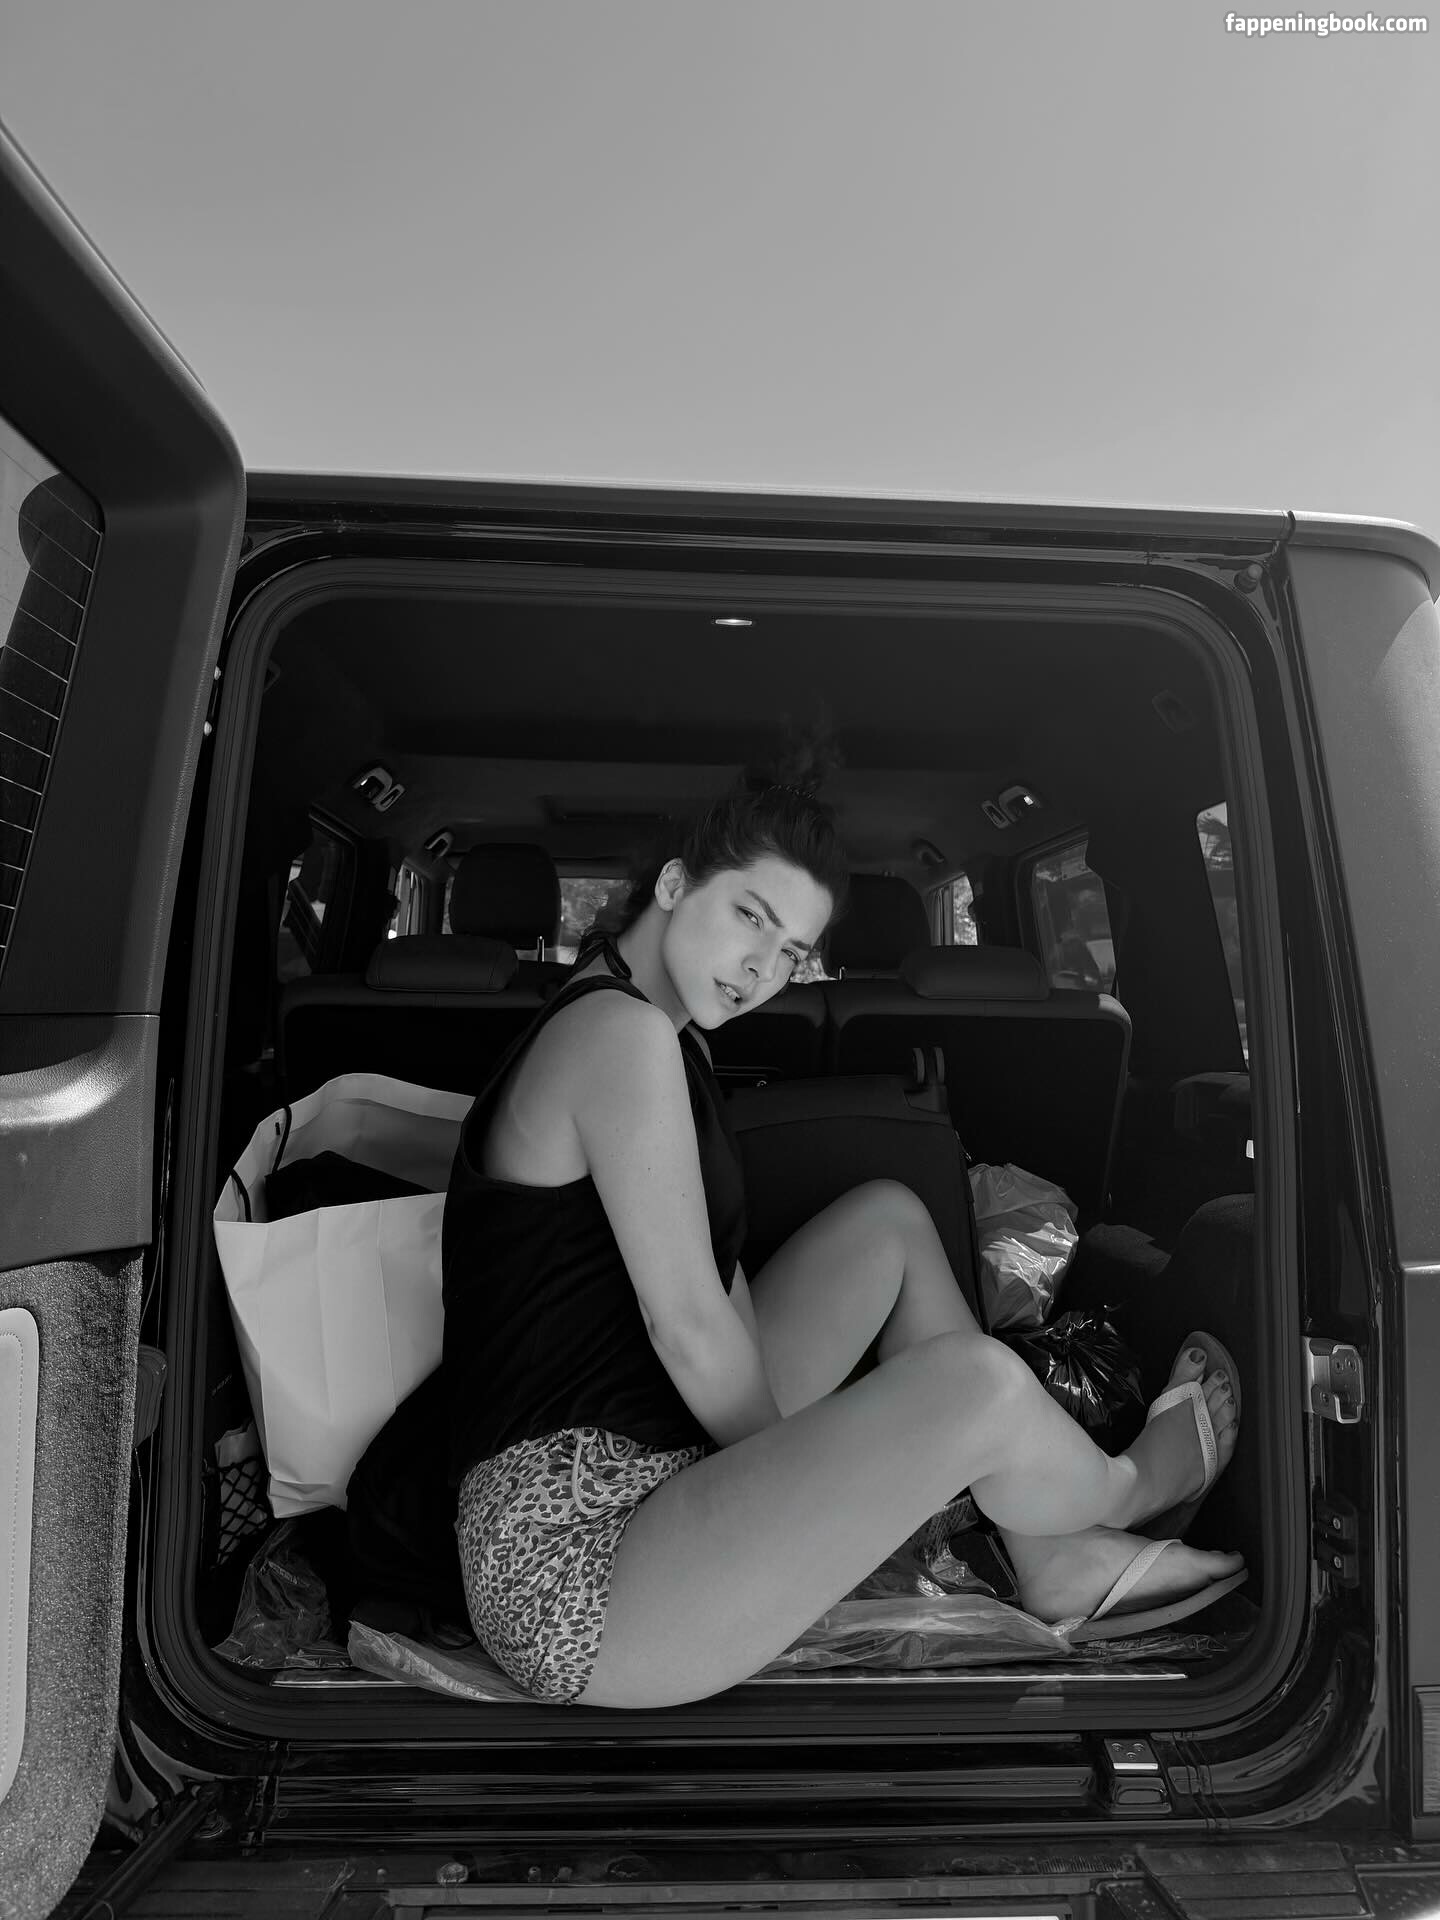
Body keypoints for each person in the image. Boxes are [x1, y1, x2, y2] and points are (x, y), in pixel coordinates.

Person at [441, 759, 1243, 1709]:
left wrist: (819, 1466)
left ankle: (1050, 1552)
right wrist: (799, 1474)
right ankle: (1127, 1488)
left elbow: (713, 1275)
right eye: (749, 916)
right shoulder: (622, 1036)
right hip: (574, 1573)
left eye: (791, 951)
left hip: (634, 1446)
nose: (761, 968)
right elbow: (687, 1328)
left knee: (887, 1224)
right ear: (674, 884)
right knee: (975, 1386)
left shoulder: (648, 1022)